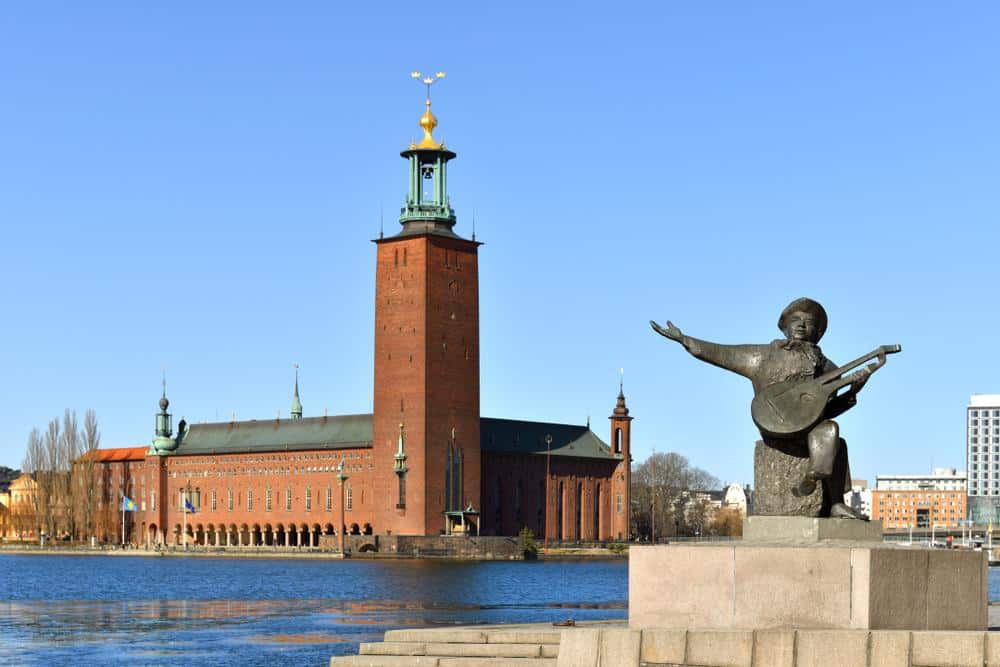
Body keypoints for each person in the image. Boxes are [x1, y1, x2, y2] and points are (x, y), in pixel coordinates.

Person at [650, 297, 866, 519]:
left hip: (806, 430)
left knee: (833, 435)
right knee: (831, 437)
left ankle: (833, 499)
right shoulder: (762, 356)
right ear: (784, 325)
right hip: (774, 425)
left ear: (818, 331)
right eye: (795, 319)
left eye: (809, 321)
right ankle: (825, 487)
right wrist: (684, 339)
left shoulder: (826, 367)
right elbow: (720, 353)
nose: (801, 325)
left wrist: (853, 391)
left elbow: (823, 411)